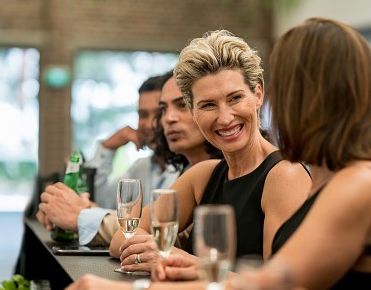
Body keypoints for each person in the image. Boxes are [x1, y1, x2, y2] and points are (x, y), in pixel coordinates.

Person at [152, 18, 371, 289]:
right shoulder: (333, 177)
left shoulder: (356, 183)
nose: (276, 103)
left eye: (286, 87)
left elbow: (274, 285)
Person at [109, 29, 311, 274]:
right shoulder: (202, 176)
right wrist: (157, 252)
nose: (225, 118)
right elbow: (121, 237)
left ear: (257, 94)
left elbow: (278, 283)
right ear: (193, 111)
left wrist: (184, 262)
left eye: (235, 98)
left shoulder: (284, 176)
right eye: (208, 105)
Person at [36, 71, 221, 246]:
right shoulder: (144, 166)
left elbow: (168, 234)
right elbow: (111, 206)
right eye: (163, 110)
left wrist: (81, 215)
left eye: (182, 105)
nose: (166, 120)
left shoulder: (213, 170)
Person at [85, 75, 179, 209]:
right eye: (143, 115)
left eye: (159, 113)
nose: (148, 125)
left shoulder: (191, 166)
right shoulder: (141, 167)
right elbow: (100, 201)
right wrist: (107, 148)